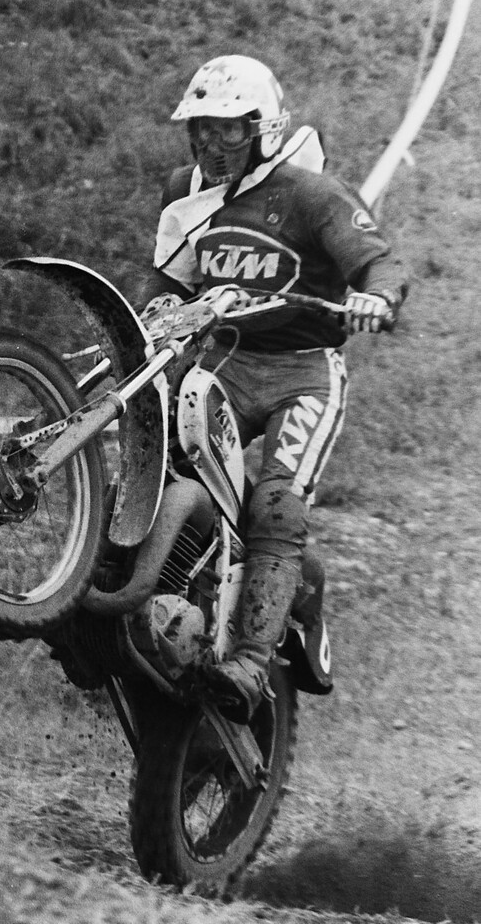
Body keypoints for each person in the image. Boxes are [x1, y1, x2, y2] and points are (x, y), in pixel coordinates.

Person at [140, 54, 409, 722]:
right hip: (221, 365)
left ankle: (252, 664)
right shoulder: (185, 191)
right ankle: (144, 616)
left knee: (276, 508)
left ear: (261, 127)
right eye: (199, 128)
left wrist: (375, 300)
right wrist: (155, 312)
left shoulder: (311, 194)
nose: (209, 143)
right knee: (168, 483)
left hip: (302, 373)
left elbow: (377, 263)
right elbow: (168, 278)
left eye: (227, 129)